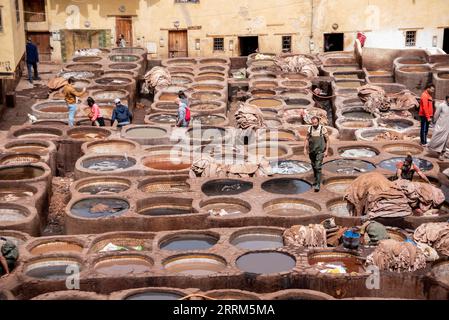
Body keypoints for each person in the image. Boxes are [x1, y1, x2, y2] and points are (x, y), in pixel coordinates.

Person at [304, 116, 329, 192]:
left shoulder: (322, 129)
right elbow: (307, 139)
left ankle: (317, 184)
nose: (314, 124)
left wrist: (326, 151)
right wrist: (305, 148)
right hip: (312, 151)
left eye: (316, 123)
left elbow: (327, 140)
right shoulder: (310, 129)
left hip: (320, 151)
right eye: (313, 123)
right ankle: (316, 180)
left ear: (318, 122)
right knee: (314, 166)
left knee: (318, 166)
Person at [429, 96, 449, 160]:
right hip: (440, 125)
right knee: (438, 139)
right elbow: (436, 115)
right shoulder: (441, 105)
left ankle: (442, 153)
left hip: (447, 127)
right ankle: (439, 153)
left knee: (445, 140)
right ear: (446, 99)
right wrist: (434, 122)